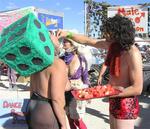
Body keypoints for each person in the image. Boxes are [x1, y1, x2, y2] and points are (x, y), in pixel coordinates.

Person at [57, 15, 143, 129]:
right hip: (114, 98)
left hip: (126, 103)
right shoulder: (113, 46)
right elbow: (88, 40)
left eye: (108, 32)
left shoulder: (133, 53)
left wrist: (105, 92)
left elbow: (137, 88)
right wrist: (67, 34)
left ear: (117, 33)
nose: (105, 35)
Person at [25, 33, 69, 129]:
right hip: (47, 113)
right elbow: (57, 99)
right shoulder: (57, 63)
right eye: (55, 37)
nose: (58, 41)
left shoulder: (35, 62)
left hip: (33, 108)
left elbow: (32, 90)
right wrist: (63, 124)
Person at [60, 38, 89, 129]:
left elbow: (85, 75)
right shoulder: (61, 58)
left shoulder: (81, 58)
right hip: (64, 90)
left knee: (77, 118)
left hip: (77, 90)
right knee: (68, 117)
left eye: (66, 41)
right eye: (63, 41)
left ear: (73, 44)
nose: (63, 43)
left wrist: (86, 91)